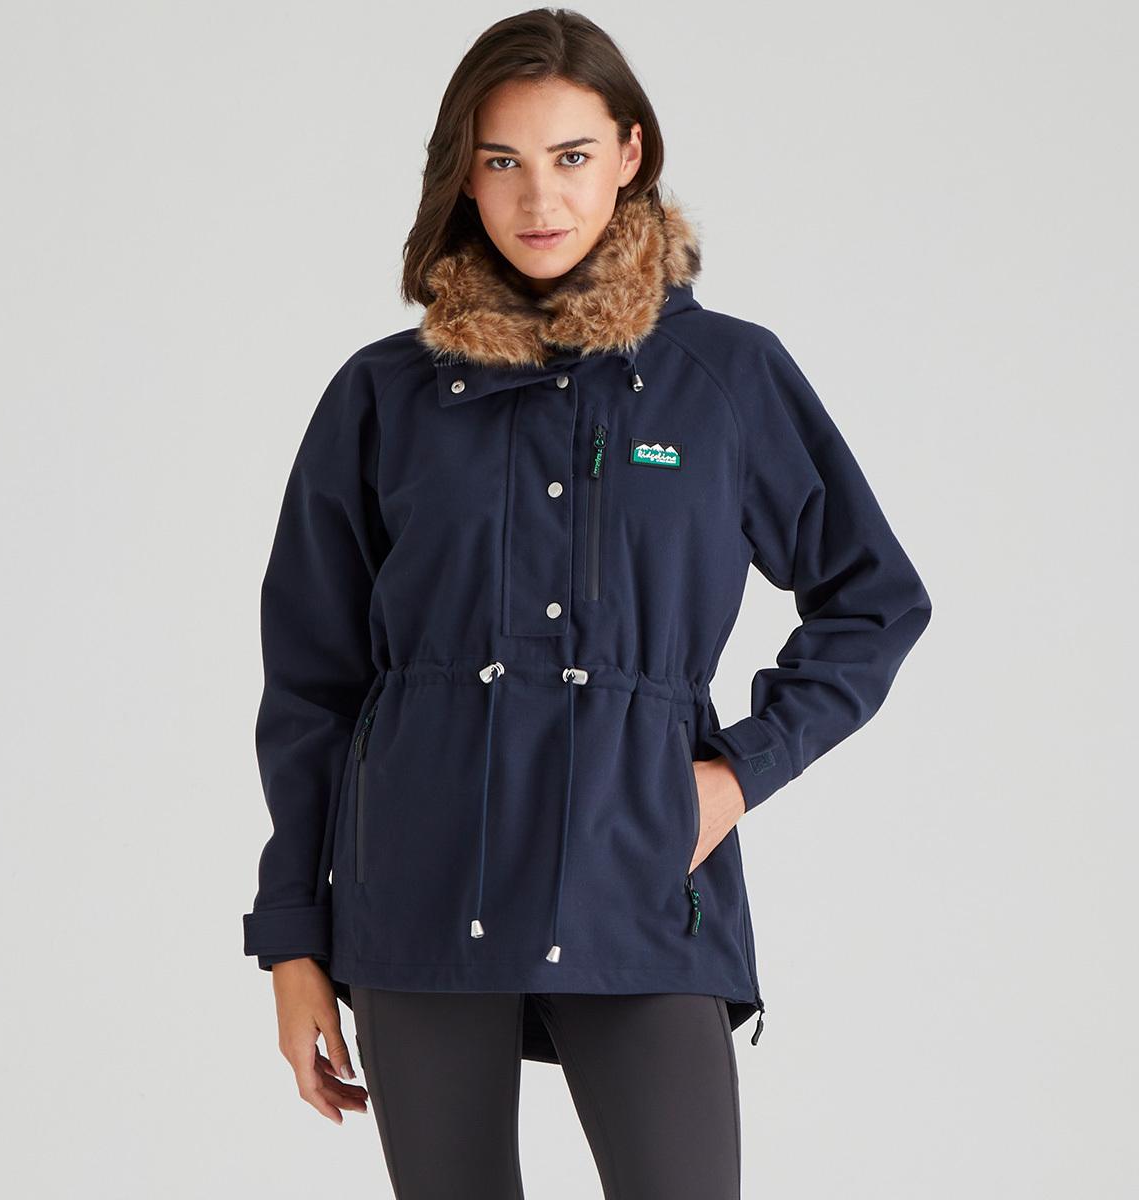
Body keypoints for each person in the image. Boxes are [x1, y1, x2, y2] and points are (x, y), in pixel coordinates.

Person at [241, 10, 932, 1199]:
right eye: (501, 160)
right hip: (420, 885)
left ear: (630, 154)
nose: (538, 197)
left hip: (639, 871)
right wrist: (294, 939)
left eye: (570, 156)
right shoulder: (384, 394)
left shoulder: (726, 378)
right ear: (463, 176)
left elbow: (875, 599)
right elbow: (311, 684)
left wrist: (737, 774)